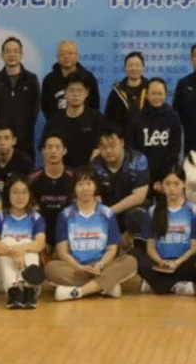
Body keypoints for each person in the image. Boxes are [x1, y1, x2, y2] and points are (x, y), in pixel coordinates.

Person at [47, 167, 139, 301]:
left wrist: (100, 265)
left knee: (130, 261)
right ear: (74, 188)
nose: (85, 188)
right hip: (76, 268)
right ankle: (105, 286)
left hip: (102, 266)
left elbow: (112, 249)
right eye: (80, 184)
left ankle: (79, 291)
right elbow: (62, 252)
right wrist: (78, 267)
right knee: (51, 268)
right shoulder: (65, 215)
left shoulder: (107, 213)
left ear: (95, 186)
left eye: (89, 183)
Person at [137, 168, 196, 296]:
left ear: (184, 184)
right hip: (159, 263)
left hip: (183, 263)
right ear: (161, 185)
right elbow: (150, 247)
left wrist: (176, 263)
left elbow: (195, 247)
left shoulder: (194, 211)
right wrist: (161, 262)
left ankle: (157, 285)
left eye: (176, 183)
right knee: (135, 256)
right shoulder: (152, 211)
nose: (172, 188)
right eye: (167, 184)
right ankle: (176, 286)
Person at [0, 175, 47, 309]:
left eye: (24, 192)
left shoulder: (36, 217)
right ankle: (13, 290)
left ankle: (29, 288)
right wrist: (14, 252)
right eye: (15, 192)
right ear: (8, 194)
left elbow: (40, 244)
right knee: (8, 241)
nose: (20, 197)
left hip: (22, 271)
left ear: (30, 195)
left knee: (27, 242)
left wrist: (21, 250)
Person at [90, 127, 151, 238]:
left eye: (112, 145)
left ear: (122, 142)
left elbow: (139, 196)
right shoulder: (95, 165)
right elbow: (95, 197)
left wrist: (110, 211)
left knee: (136, 216)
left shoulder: (138, 159)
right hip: (107, 211)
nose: (108, 151)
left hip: (132, 209)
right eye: (103, 147)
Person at [0, 36, 41, 154]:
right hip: (0, 140)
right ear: (2, 55)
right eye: (8, 51)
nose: (12, 55)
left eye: (15, 51)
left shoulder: (31, 79)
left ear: (21, 55)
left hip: (24, 139)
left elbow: (35, 109)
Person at [46, 74, 109, 168]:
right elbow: (45, 149)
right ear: (65, 93)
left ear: (87, 93)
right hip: (63, 173)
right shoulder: (55, 120)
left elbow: (106, 146)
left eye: (79, 90)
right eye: (71, 90)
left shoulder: (97, 119)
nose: (75, 94)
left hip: (91, 172)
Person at [126, 77, 183, 178]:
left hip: (166, 174)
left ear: (165, 95)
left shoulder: (173, 116)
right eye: (153, 93)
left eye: (160, 94)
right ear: (146, 95)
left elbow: (175, 147)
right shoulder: (136, 118)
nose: (157, 97)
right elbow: (132, 148)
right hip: (142, 173)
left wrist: (166, 174)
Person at [29, 130, 76, 241]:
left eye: (57, 147)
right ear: (43, 151)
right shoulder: (32, 179)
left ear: (65, 150)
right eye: (49, 147)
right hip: (41, 232)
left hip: (70, 231)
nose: (53, 151)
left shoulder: (75, 177)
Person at [42, 39, 102, 119]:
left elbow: (94, 105)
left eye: (70, 53)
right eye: (62, 53)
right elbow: (45, 106)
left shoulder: (88, 78)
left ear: (77, 55)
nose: (66, 56)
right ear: (57, 57)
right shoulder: (49, 79)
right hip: (56, 125)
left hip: (84, 125)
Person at [104, 51, 147, 130]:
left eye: (137, 65)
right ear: (125, 68)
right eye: (130, 65)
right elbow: (109, 119)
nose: (134, 68)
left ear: (143, 67)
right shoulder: (117, 92)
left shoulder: (150, 89)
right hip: (123, 135)